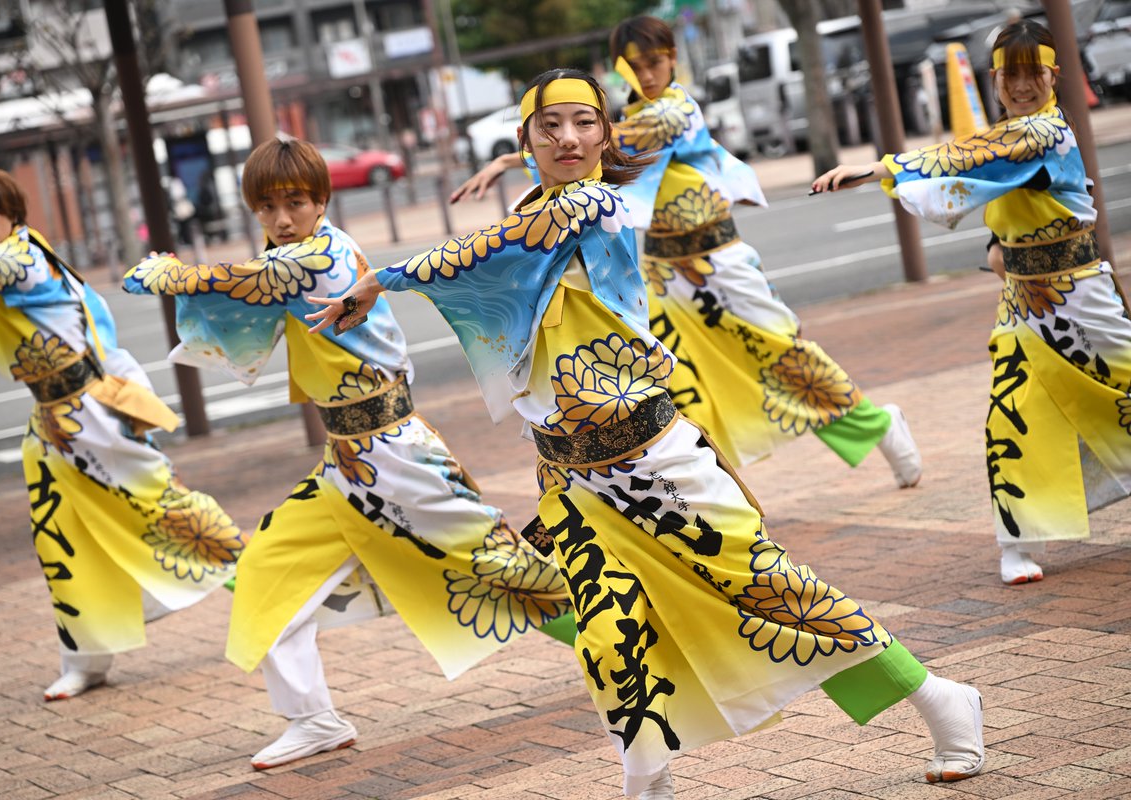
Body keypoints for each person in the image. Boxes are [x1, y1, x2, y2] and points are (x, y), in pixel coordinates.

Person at [309, 69, 985, 799]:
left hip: (655, 462)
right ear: (526, 137)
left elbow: (505, 241)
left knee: (775, 593)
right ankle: (648, 783)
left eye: (584, 123)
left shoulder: (595, 203)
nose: (568, 138)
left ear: (607, 133)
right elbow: (507, 249)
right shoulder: (543, 203)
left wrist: (386, 278)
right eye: (549, 126)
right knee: (608, 637)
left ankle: (939, 697)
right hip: (571, 480)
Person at [123, 137, 575, 770]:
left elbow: (245, 282)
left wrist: (170, 274)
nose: (282, 218)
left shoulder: (319, 259)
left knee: (502, 568)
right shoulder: (294, 254)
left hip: (397, 454)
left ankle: (618, 643)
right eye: (268, 206)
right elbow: (251, 284)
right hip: (346, 463)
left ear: (322, 201)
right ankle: (313, 720)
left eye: (296, 202)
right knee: (264, 573)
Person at [451, 16, 922, 489]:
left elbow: (620, 143)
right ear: (620, 68)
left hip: (719, 262)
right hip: (661, 274)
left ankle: (880, 428)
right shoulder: (623, 117)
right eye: (635, 65)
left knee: (784, 358)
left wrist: (512, 157)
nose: (648, 74)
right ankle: (709, 489)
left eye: (655, 62)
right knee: (676, 386)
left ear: (673, 58)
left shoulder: (677, 111)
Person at [812, 19, 1131, 586]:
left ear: (1054, 75)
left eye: (1034, 72)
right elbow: (996, 179)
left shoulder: (1045, 133)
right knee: (1011, 414)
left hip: (1081, 292)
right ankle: (1018, 540)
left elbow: (979, 155)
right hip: (1025, 306)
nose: (1022, 84)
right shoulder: (1007, 138)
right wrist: (996, 242)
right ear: (995, 79)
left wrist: (881, 168)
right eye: (1012, 74)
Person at [0, 166, 247, 701]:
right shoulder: (11, 256)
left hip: (93, 413)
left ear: (12, 211)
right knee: (61, 539)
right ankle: (86, 660)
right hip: (51, 422)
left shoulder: (20, 258)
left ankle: (266, 584)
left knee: (164, 509)